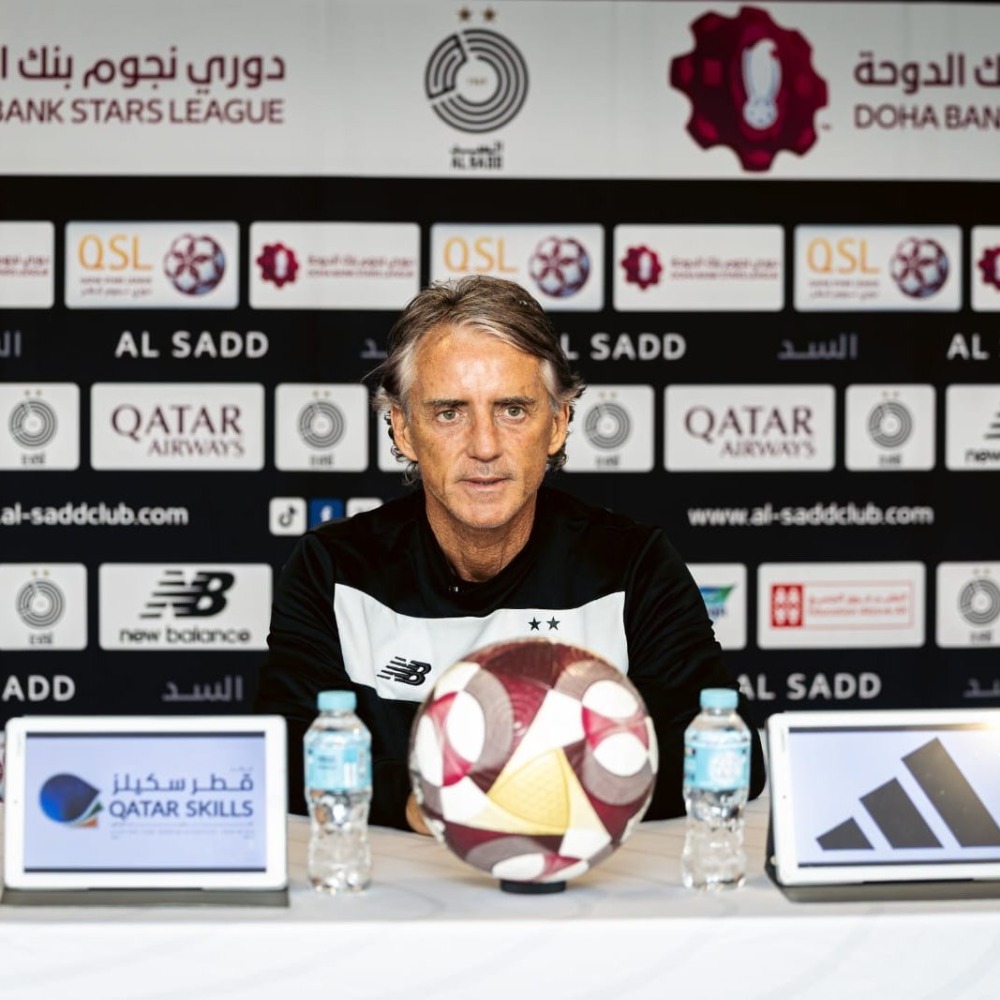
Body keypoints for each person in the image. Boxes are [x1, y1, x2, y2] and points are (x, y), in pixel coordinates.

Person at [255, 274, 765, 831]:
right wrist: (425, 802)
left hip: (580, 882)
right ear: (403, 429)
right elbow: (281, 748)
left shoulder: (633, 565)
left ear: (558, 424)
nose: (485, 446)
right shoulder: (333, 569)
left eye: (513, 410)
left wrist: (518, 801)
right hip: (391, 881)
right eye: (450, 412)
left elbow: (726, 750)